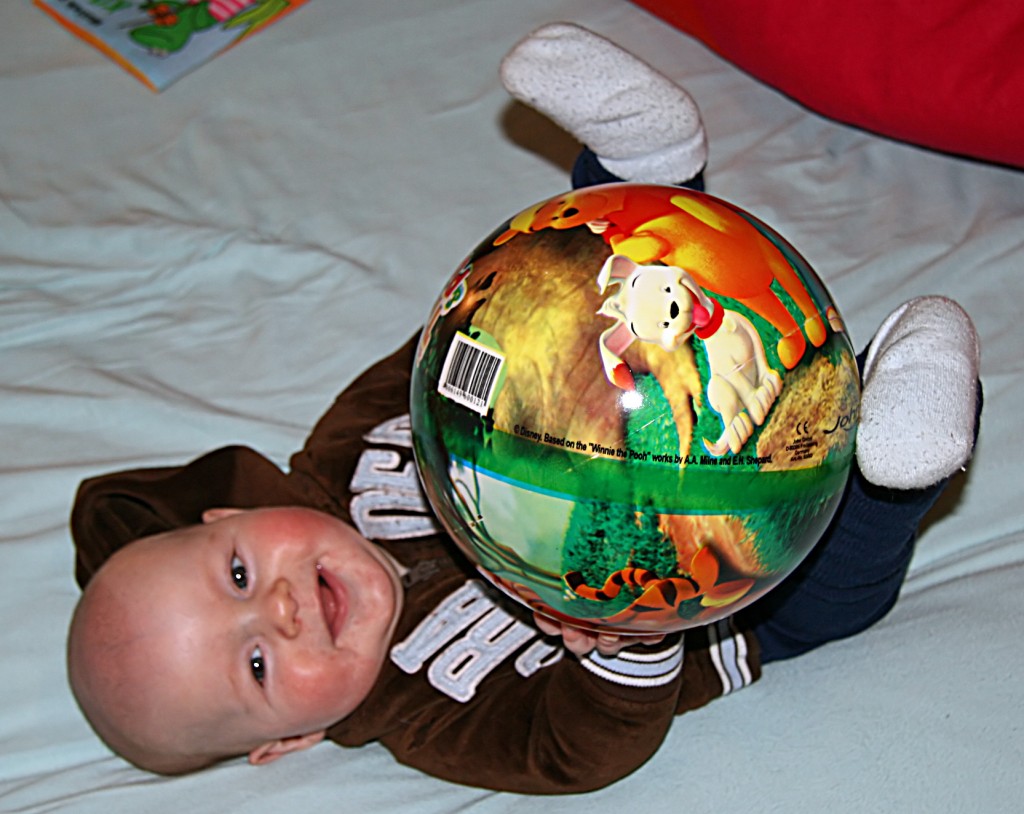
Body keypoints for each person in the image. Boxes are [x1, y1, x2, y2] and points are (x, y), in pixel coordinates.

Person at [65, 23, 982, 794]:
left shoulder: (339, 452)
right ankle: (894, 444)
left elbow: (456, 347)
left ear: (232, 515)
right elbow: (578, 756)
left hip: (631, 387)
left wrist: (510, 335)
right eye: (258, 666)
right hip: (736, 592)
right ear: (288, 743)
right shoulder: (425, 719)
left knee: (561, 309)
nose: (280, 610)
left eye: (235, 574)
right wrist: (629, 637)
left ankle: (635, 172)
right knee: (830, 601)